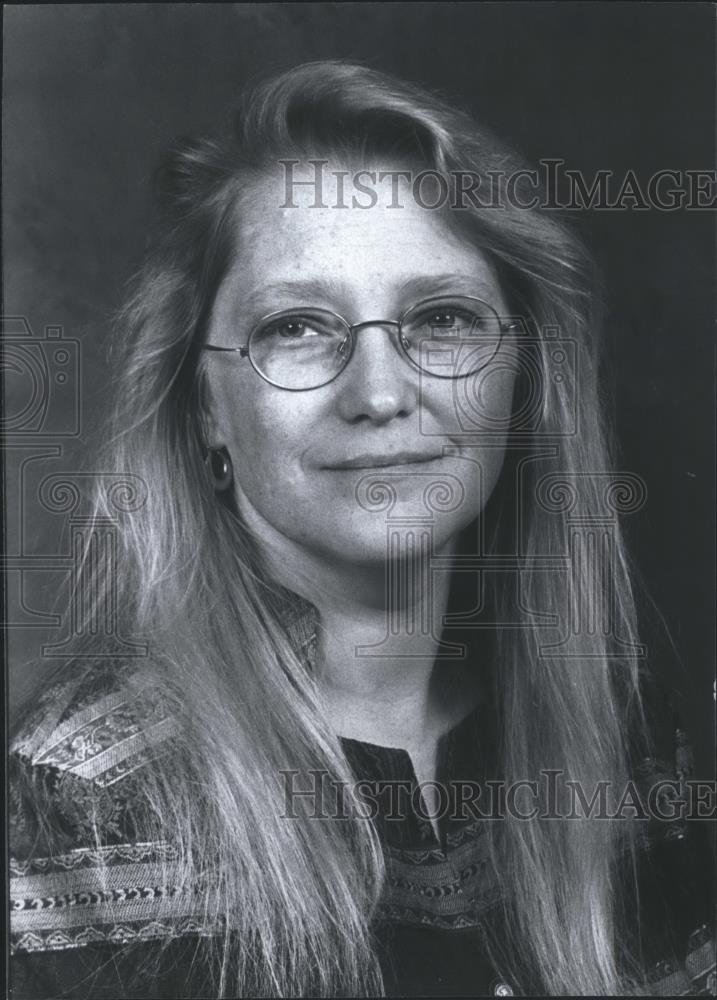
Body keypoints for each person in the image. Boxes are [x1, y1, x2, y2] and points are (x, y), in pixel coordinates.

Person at [9, 61, 715, 998]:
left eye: (443, 318)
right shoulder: (90, 794)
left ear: (523, 380)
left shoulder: (620, 720)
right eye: (298, 326)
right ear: (205, 409)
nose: (380, 393)